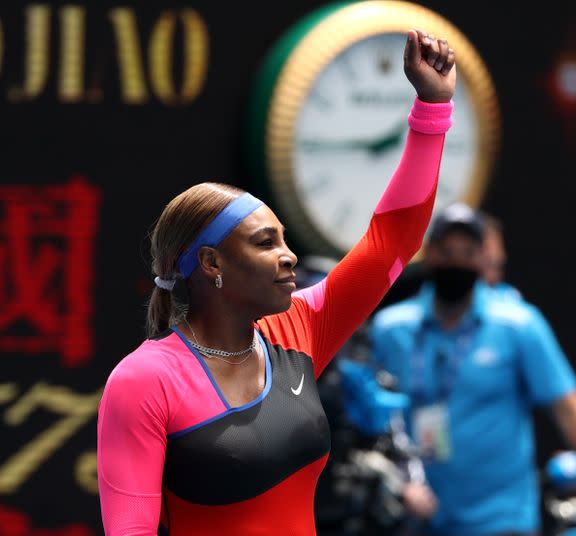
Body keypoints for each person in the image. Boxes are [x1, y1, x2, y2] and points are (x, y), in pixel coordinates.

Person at [96, 29, 456, 536]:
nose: (289, 257)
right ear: (212, 263)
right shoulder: (144, 381)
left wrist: (432, 108)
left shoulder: (301, 329)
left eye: (284, 240)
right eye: (265, 243)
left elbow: (392, 240)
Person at [369, 203, 576, 536]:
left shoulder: (518, 324)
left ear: (482, 258)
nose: (456, 261)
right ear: (428, 253)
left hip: (501, 518)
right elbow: (373, 418)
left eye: (467, 252)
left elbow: (568, 407)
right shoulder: (392, 328)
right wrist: (399, 484)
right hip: (416, 517)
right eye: (446, 251)